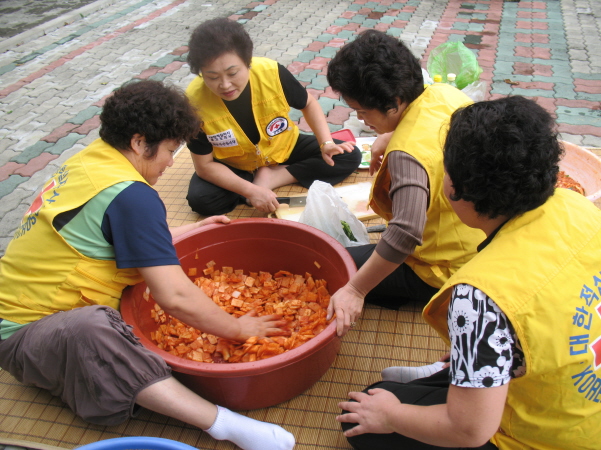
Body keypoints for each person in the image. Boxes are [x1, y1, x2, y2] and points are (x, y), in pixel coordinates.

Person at [0, 80, 295, 450]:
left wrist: (190, 228)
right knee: (93, 328)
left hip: (36, 300)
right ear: (140, 143)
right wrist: (238, 328)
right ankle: (223, 424)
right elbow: (173, 296)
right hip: (23, 334)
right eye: (170, 150)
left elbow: (109, 232)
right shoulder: (131, 196)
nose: (172, 163)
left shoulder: (92, 159)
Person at [337, 96, 601, 449]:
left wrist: (389, 416)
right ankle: (458, 375)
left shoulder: (480, 297)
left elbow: (469, 431)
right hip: (580, 401)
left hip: (543, 436)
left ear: (456, 190)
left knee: (366, 412)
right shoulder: (577, 205)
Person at [325, 30, 484, 336]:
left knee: (336, 264)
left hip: (448, 270)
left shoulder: (406, 154)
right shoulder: (443, 93)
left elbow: (405, 232)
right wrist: (388, 133)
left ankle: (413, 294)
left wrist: (356, 290)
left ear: (394, 102)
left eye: (363, 111)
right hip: (479, 241)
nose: (361, 119)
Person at [184, 17, 361, 216]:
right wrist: (251, 191)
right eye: (212, 77)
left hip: (282, 146)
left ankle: (273, 177)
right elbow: (205, 167)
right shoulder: (192, 102)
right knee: (201, 200)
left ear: (248, 62)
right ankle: (254, 184)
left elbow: (309, 103)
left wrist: (326, 143)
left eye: (232, 73)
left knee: (348, 156)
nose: (224, 85)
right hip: (234, 163)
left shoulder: (272, 73)